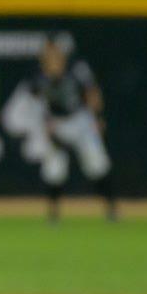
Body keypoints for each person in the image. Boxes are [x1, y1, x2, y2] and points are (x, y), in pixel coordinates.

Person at [29, 37, 115, 223]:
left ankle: (111, 208)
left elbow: (92, 92)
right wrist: (46, 126)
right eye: (47, 55)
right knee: (54, 168)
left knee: (97, 164)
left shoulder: (77, 68)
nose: (50, 58)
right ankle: (53, 213)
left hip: (80, 120)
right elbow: (36, 103)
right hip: (57, 123)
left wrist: (98, 118)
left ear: (61, 55)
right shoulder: (38, 75)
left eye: (54, 54)